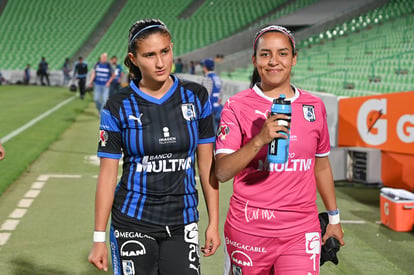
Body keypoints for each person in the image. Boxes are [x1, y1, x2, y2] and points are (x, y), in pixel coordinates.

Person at [88, 18, 220, 275]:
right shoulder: (118, 106)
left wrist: (213, 221)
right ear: (133, 59)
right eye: (149, 55)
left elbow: (207, 165)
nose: (160, 62)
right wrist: (98, 238)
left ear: (172, 48)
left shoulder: (196, 96)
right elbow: (107, 175)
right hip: (133, 221)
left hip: (183, 220)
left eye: (164, 51)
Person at [214, 25, 345, 275]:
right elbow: (221, 172)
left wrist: (334, 219)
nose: (273, 61)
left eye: (282, 54)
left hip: (300, 230)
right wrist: (259, 140)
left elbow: (321, 166)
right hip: (249, 230)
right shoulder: (236, 106)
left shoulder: (314, 106)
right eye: (265, 54)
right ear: (254, 60)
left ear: (294, 59)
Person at [201, 58, 222, 130]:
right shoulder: (217, 77)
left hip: (210, 108)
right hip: (217, 106)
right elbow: (220, 93)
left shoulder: (208, 78)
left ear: (205, 67)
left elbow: (206, 94)